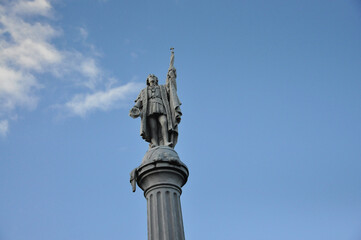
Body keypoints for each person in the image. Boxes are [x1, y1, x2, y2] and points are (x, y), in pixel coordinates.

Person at [129, 73, 181, 148]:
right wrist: (135, 107)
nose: (152, 77)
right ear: (148, 80)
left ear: (157, 80)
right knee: (153, 127)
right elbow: (140, 101)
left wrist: (171, 77)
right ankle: (155, 143)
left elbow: (171, 89)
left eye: (154, 76)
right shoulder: (144, 91)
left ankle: (166, 141)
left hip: (161, 107)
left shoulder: (162, 88)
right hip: (150, 108)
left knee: (164, 122)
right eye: (150, 76)